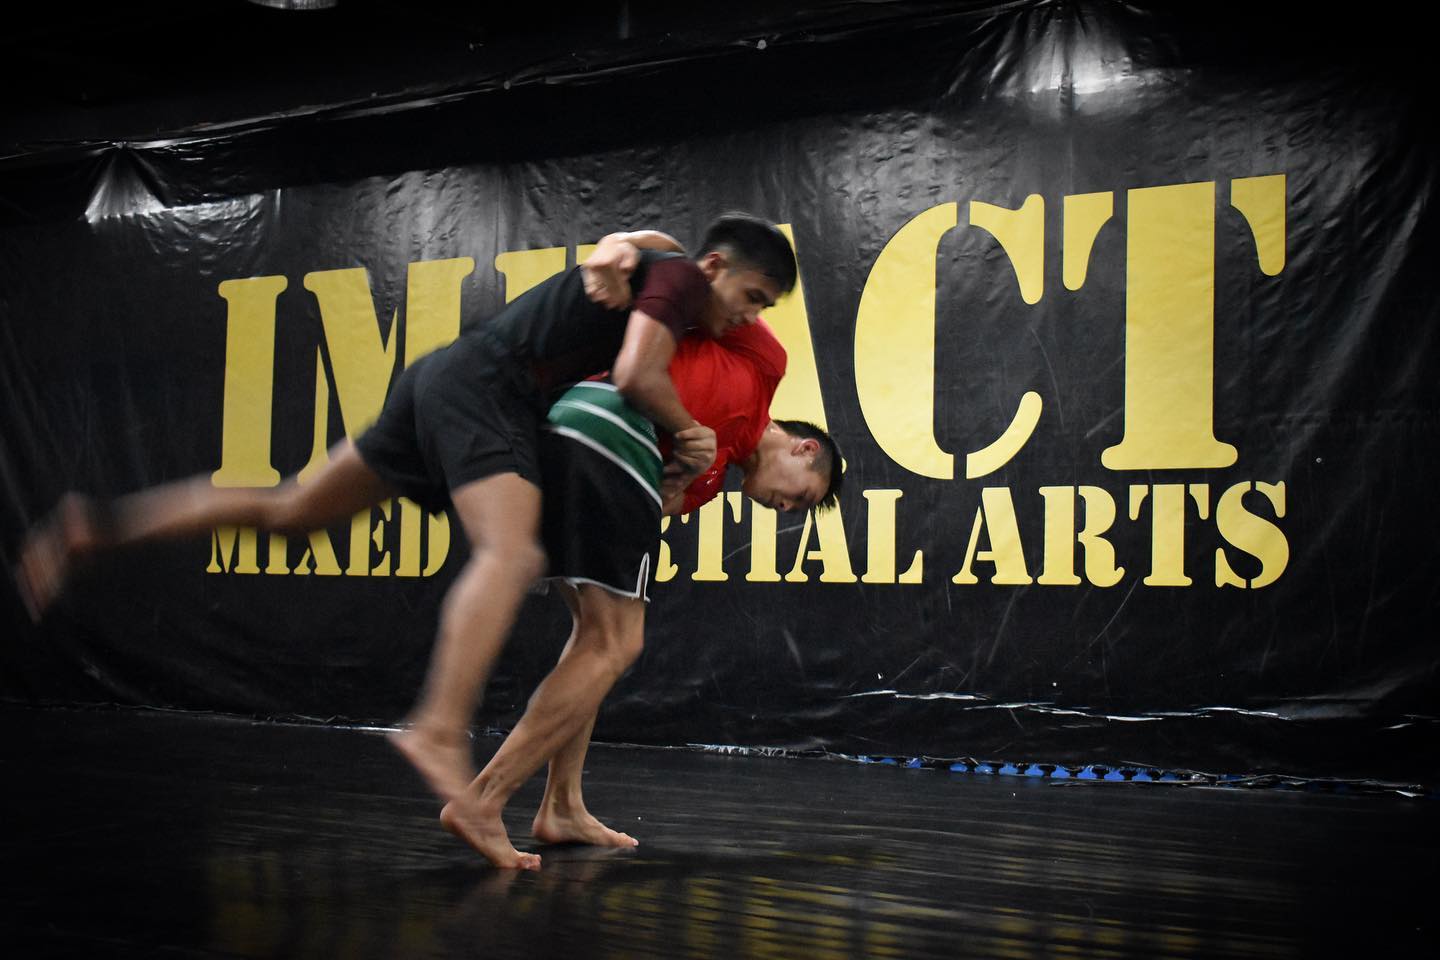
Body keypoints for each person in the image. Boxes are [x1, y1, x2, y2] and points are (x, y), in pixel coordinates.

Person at [15, 214, 799, 814]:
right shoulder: (683, 282)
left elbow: (650, 246)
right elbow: (633, 373)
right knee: (512, 556)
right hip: (487, 389)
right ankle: (436, 727)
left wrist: (622, 242)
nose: (750, 317)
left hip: (442, 377)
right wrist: (689, 430)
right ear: (717, 268)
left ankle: (95, 526)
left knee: (292, 509)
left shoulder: (674, 272)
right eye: (753, 299)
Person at [434, 235, 842, 869]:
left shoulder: (711, 479)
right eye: (801, 497)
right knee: (616, 643)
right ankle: (483, 800)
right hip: (605, 425)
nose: (786, 509)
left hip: (577, 444)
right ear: (805, 449)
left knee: (595, 639)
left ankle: (562, 804)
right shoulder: (765, 363)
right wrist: (625, 243)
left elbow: (658, 504)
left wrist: (686, 473)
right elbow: (701, 286)